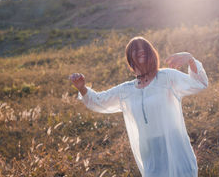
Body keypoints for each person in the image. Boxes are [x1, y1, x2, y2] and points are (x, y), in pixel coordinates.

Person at [69, 36, 208, 177]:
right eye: (135, 49)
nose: (140, 50)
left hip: (175, 146)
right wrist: (82, 88)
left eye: (144, 47)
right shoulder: (127, 90)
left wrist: (190, 59)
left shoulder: (166, 77)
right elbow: (98, 101)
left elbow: (199, 83)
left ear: (151, 53)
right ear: (130, 58)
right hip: (151, 153)